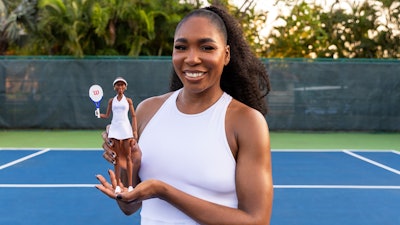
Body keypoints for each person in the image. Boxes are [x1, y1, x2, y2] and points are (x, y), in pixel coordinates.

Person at [96, 5, 273, 225]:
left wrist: (164, 191)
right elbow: (128, 206)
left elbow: (257, 221)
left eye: (206, 48)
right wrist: (125, 164)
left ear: (226, 55)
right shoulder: (147, 111)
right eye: (181, 47)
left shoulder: (246, 122)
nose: (191, 58)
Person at [97, 77, 138, 193]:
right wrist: (100, 115)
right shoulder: (111, 101)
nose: (120, 87)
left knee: (128, 156)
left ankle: (130, 185)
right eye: (118, 85)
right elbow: (107, 115)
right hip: (115, 129)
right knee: (117, 157)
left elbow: (133, 116)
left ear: (125, 87)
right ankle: (118, 185)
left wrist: (134, 131)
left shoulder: (129, 101)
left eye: (122, 85)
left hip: (126, 129)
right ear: (115, 87)